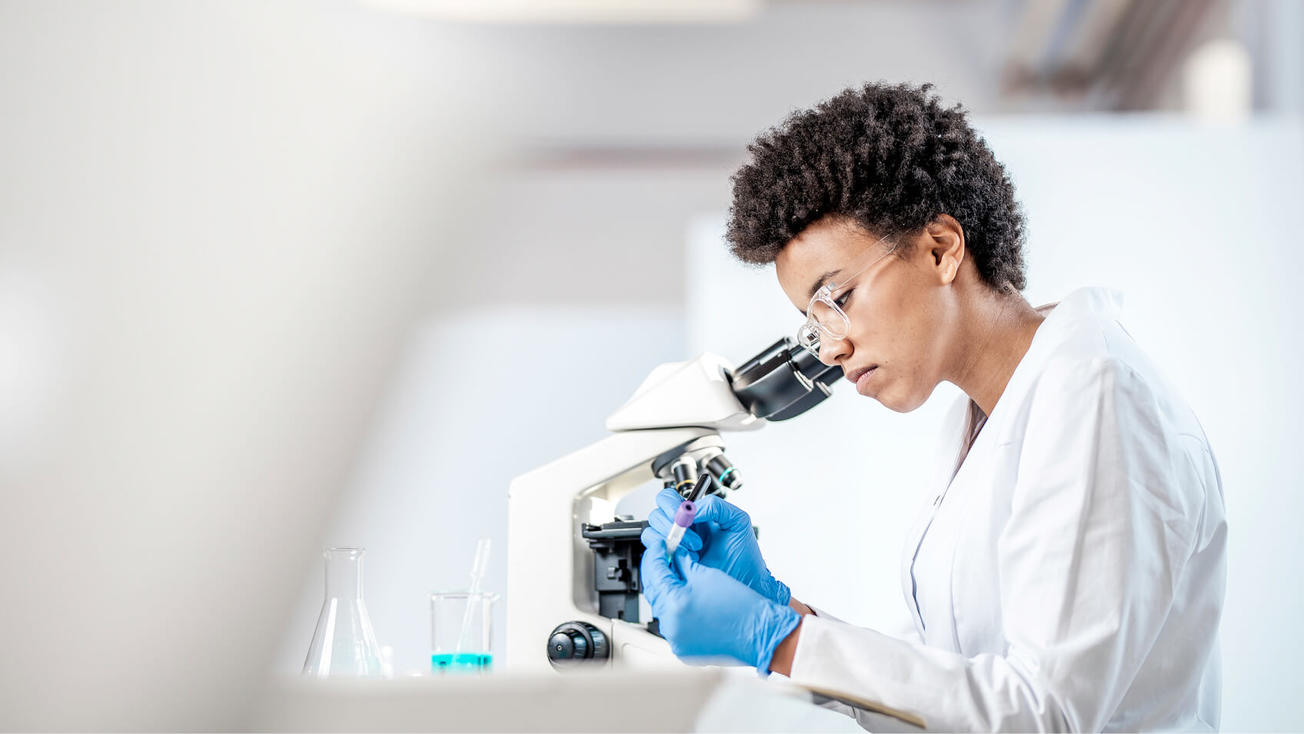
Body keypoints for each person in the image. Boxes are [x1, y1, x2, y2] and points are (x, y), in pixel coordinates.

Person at [639, 82, 1227, 732]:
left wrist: (780, 641)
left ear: (942, 248)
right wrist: (785, 612)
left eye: (835, 300)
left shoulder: (1094, 393)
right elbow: (946, 694)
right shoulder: (979, 419)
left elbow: (1046, 714)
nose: (830, 348)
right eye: (811, 323)